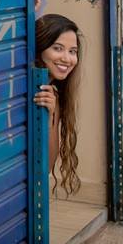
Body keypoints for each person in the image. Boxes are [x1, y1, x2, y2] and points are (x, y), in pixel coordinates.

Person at [33, 13, 83, 195]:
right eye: (58, 48)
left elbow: (46, 165)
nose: (67, 59)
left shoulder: (53, 92)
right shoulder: (26, 86)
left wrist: (50, 116)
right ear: (39, 49)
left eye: (72, 51)